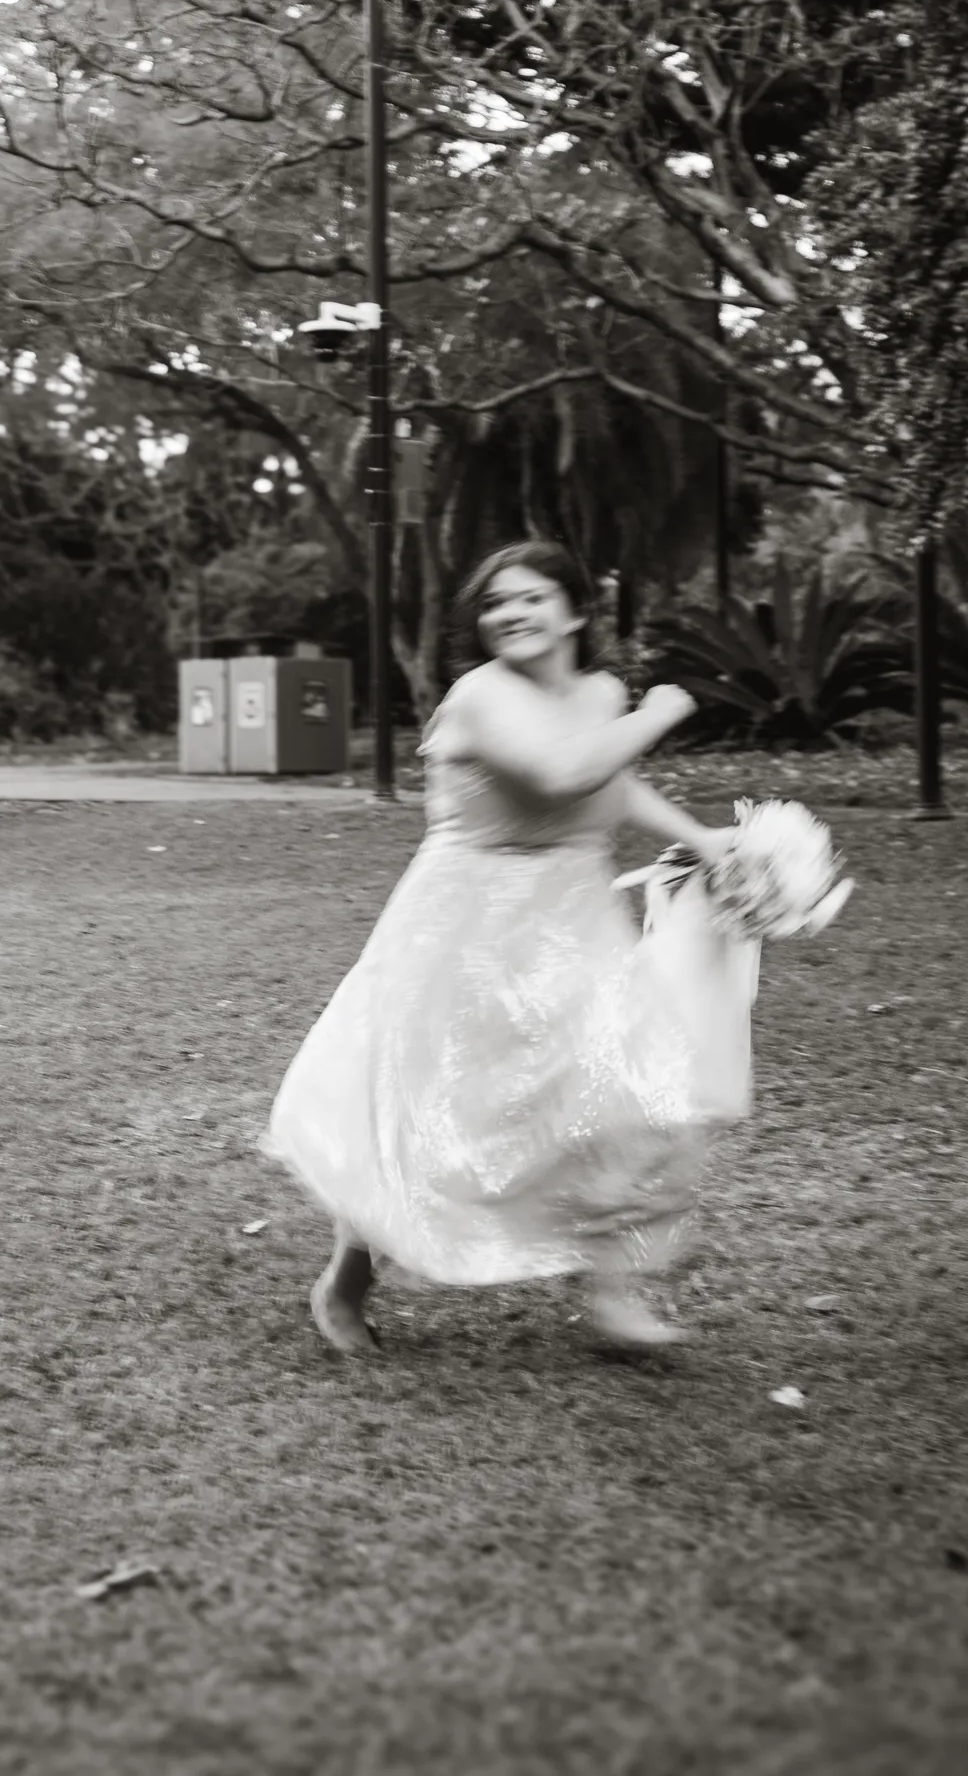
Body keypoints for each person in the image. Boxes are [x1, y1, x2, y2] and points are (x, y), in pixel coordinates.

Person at [266, 541, 733, 1354]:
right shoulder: (479, 695)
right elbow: (560, 775)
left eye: (531, 596)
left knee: (623, 1092)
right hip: (468, 926)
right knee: (439, 1114)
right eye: (493, 602)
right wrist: (659, 713)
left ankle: (612, 1297)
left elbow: (610, 781)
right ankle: (346, 1281)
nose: (510, 614)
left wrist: (702, 838)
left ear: (576, 613)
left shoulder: (600, 693)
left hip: (576, 918)